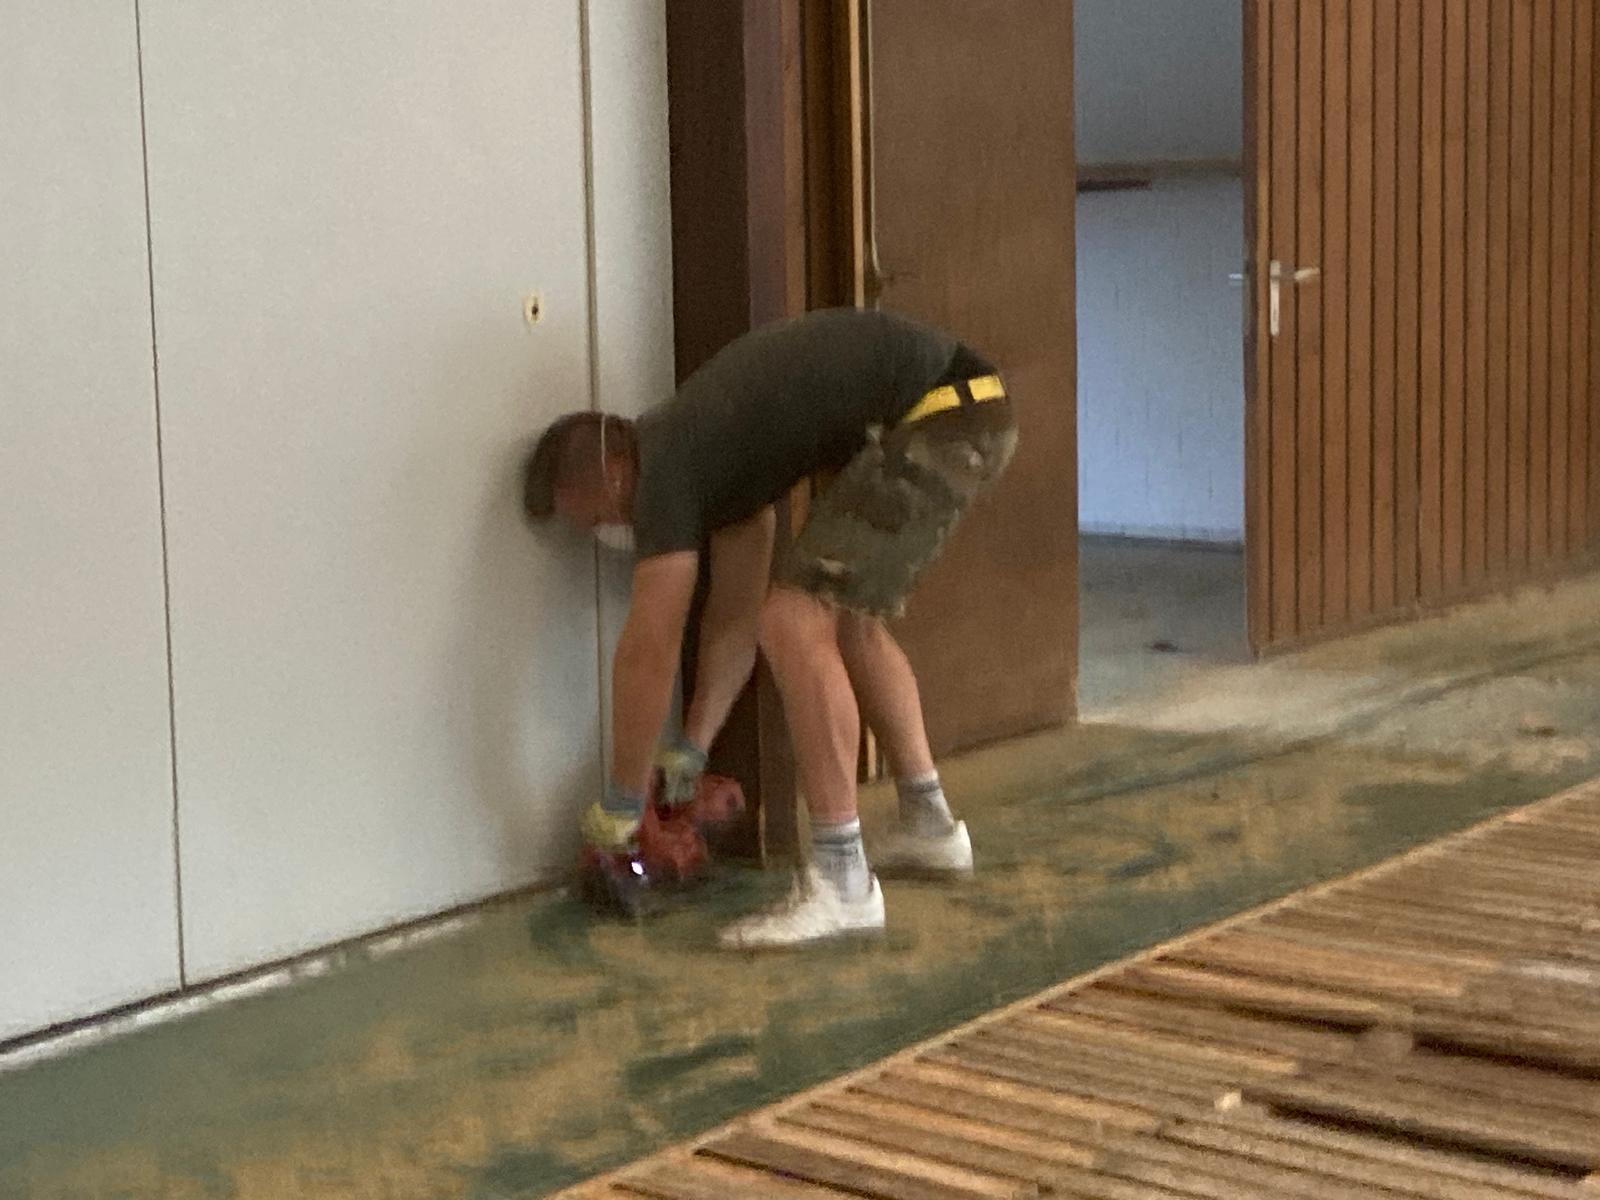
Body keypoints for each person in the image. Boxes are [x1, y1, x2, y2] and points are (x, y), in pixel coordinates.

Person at [523, 307, 1016, 948]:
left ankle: (842, 882)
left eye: (594, 518)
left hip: (945, 412)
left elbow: (650, 648)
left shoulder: (664, 464)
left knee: (792, 619)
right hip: (967, 407)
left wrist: (622, 800)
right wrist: (691, 749)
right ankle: (929, 825)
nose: (606, 533)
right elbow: (733, 622)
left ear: (614, 472)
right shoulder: (721, 470)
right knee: (846, 623)